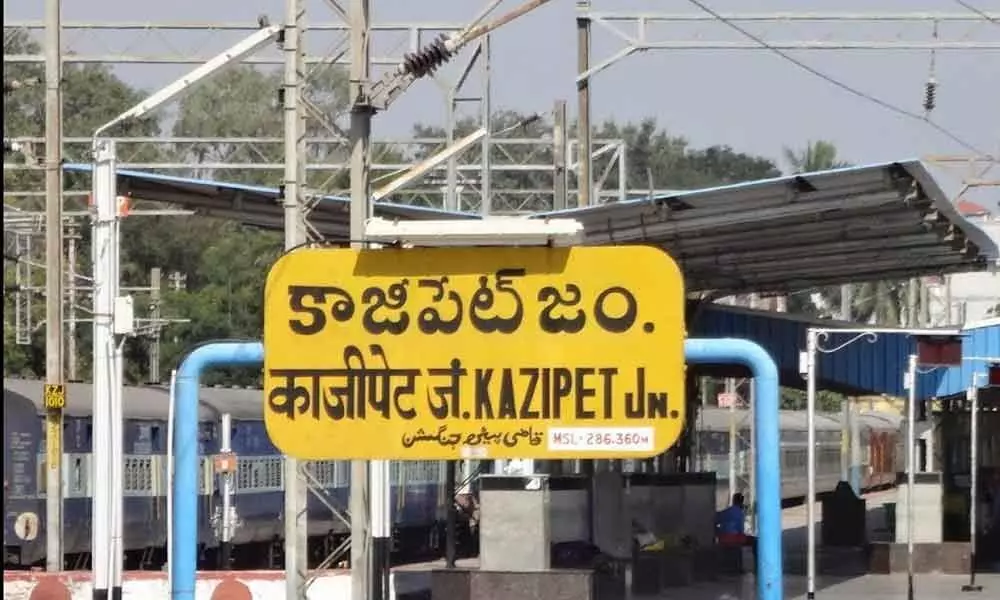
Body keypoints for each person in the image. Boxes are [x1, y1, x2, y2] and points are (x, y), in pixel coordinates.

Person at [716, 493, 757, 566]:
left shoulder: (726, 511)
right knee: (756, 541)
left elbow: (716, 519)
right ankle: (756, 565)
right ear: (742, 501)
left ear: (733, 500)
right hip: (735, 538)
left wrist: (719, 531)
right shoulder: (740, 513)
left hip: (723, 538)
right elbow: (740, 530)